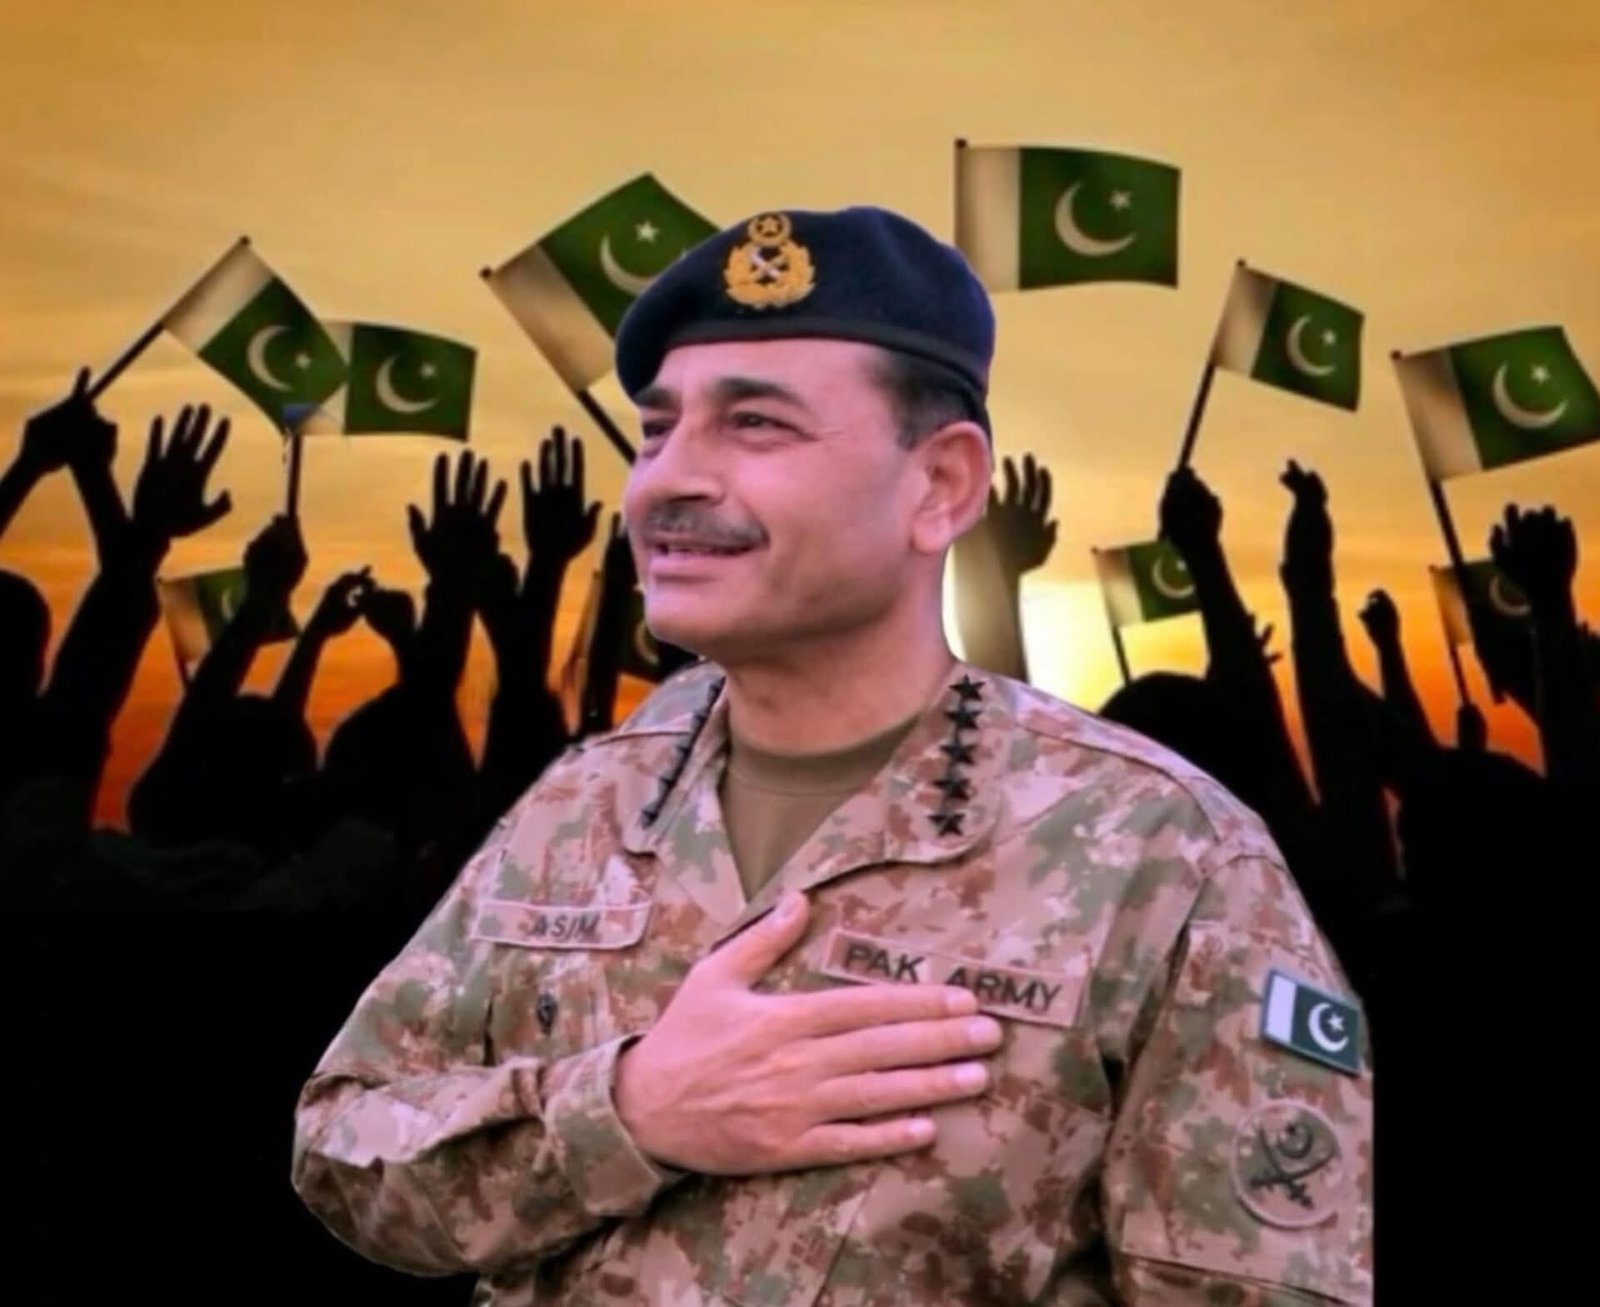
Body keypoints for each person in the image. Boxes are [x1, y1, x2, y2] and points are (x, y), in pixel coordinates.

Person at [290, 206, 1374, 1305]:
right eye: (657, 430)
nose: (665, 479)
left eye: (755, 424)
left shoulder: (1167, 857)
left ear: (940, 486)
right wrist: (629, 1112)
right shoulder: (580, 801)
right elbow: (343, 1149)